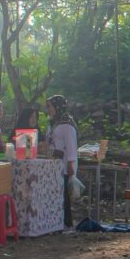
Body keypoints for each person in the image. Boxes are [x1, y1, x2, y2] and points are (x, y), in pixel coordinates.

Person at [45, 95, 78, 228]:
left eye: (50, 107)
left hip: (63, 163)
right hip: (52, 162)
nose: (49, 110)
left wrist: (71, 165)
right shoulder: (52, 122)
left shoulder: (67, 125)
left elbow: (71, 146)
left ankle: (66, 222)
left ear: (58, 107)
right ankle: (55, 220)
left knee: (63, 193)